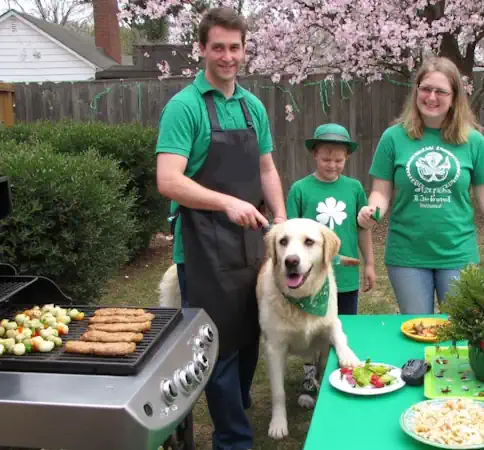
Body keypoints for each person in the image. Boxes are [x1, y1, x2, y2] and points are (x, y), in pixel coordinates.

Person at [154, 7, 287, 450]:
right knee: (218, 348)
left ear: (245, 49)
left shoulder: (252, 107)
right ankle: (232, 440)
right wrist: (227, 202)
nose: (227, 57)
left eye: (235, 47)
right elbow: (168, 180)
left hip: (251, 243)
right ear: (202, 49)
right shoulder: (184, 107)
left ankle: (237, 412)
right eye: (218, 48)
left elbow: (266, 168)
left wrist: (281, 219)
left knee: (248, 337)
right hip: (202, 249)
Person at [357, 56, 484, 315]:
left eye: (441, 91)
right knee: (417, 329)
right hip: (407, 255)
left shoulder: (473, 141)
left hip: (458, 253)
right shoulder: (393, 137)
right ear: (416, 90)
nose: (431, 97)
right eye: (425, 89)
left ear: (454, 96)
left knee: (458, 329)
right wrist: (372, 212)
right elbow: (381, 191)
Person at [285, 123, 376, 315]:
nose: (332, 165)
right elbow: (289, 236)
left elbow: (363, 229)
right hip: (310, 275)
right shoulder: (300, 189)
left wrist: (369, 264)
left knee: (345, 325)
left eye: (338, 160)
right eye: (326, 159)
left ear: (347, 157)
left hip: (346, 277)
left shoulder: (355, 188)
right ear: (314, 154)